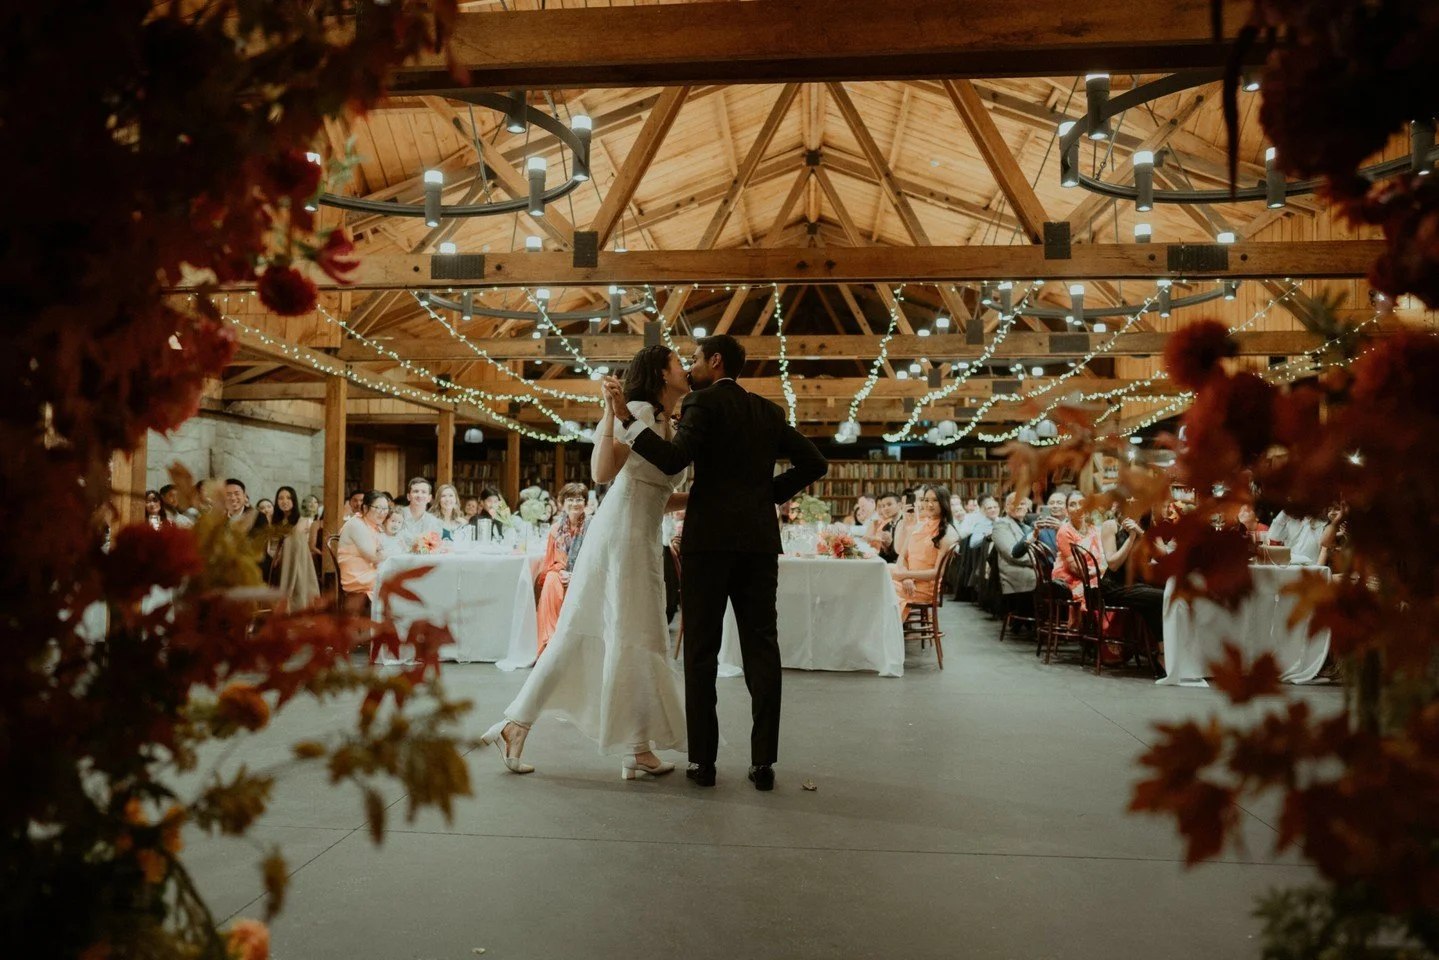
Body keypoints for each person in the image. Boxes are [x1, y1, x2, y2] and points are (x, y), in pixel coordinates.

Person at [609, 334, 828, 791]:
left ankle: (702, 764)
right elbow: (814, 462)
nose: (689, 368)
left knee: (702, 652)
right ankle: (763, 763)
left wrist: (626, 421)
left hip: (708, 544)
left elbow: (673, 457)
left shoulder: (702, 404)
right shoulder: (768, 412)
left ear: (715, 361)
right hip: (758, 544)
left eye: (694, 359)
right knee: (762, 651)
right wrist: (766, 494)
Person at [478, 345, 694, 782]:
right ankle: (531, 727)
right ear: (659, 373)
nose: (685, 368)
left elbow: (658, 493)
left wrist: (710, 499)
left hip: (640, 533)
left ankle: (631, 746)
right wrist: (612, 413)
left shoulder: (670, 421)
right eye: (677, 362)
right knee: (615, 631)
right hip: (620, 536)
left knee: (635, 633)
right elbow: (601, 474)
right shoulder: (634, 409)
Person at [534, 483, 590, 656]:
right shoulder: (555, 529)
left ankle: (568, 645)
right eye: (570, 499)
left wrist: (576, 575)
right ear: (562, 503)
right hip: (560, 573)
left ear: (585, 503)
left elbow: (596, 561)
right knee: (550, 580)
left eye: (579, 499)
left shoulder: (592, 527)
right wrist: (561, 572)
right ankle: (549, 642)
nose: (575, 503)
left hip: (585, 574)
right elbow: (549, 562)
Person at [891, 484, 960, 622]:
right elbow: (902, 557)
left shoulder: (947, 533)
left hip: (924, 588)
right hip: (908, 580)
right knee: (879, 575)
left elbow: (937, 573)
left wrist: (906, 575)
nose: (929, 504)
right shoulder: (919, 525)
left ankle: (882, 637)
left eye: (934, 500)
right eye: (925, 500)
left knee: (879, 586)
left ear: (944, 502)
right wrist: (906, 578)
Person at [335, 491, 391, 615]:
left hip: (370, 573)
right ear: (365, 508)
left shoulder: (373, 525)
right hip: (358, 577)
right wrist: (395, 552)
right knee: (401, 583)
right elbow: (374, 557)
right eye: (378, 508)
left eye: (386, 508)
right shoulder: (357, 525)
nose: (383, 512)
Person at [268, 486, 321, 611]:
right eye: (280, 498)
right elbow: (272, 545)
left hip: (297, 564)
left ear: (294, 500)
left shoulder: (302, 521)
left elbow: (297, 545)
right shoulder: (275, 522)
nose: (284, 501)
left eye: (288, 498)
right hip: (278, 564)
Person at [991, 492, 1038, 624]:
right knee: (1046, 579)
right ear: (1006, 508)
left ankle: (1051, 623)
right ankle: (1041, 624)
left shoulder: (1030, 528)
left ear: (1028, 508)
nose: (1018, 506)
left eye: (1022, 503)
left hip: (1029, 569)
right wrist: (1037, 562)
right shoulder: (1001, 525)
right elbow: (1012, 554)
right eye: (1014, 503)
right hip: (1015, 572)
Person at [1053, 491, 1103, 603]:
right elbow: (1075, 569)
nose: (1078, 508)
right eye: (1072, 504)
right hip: (1070, 579)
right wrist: (1100, 572)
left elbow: (1102, 558)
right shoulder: (1064, 531)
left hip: (1093, 575)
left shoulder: (1094, 530)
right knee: (1104, 592)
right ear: (1066, 511)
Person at [397, 477, 442, 545]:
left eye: (423, 492)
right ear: (408, 496)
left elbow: (435, 547)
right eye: (416, 491)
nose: (419, 495)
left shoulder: (434, 522)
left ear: (429, 498)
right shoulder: (397, 516)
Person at [873, 490, 902, 562]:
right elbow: (883, 556)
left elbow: (902, 555)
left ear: (900, 505)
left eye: (889, 504)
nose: (885, 508)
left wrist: (889, 545)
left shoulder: (906, 524)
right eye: (883, 506)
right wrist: (885, 548)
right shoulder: (886, 527)